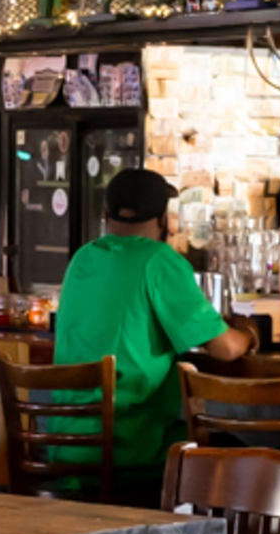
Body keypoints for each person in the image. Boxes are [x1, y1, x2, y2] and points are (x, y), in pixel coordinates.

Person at [55, 166, 253, 486]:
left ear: (106, 215)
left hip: (63, 454)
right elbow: (227, 349)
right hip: (131, 456)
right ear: (164, 219)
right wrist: (249, 333)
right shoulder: (159, 261)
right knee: (245, 460)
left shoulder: (82, 259)